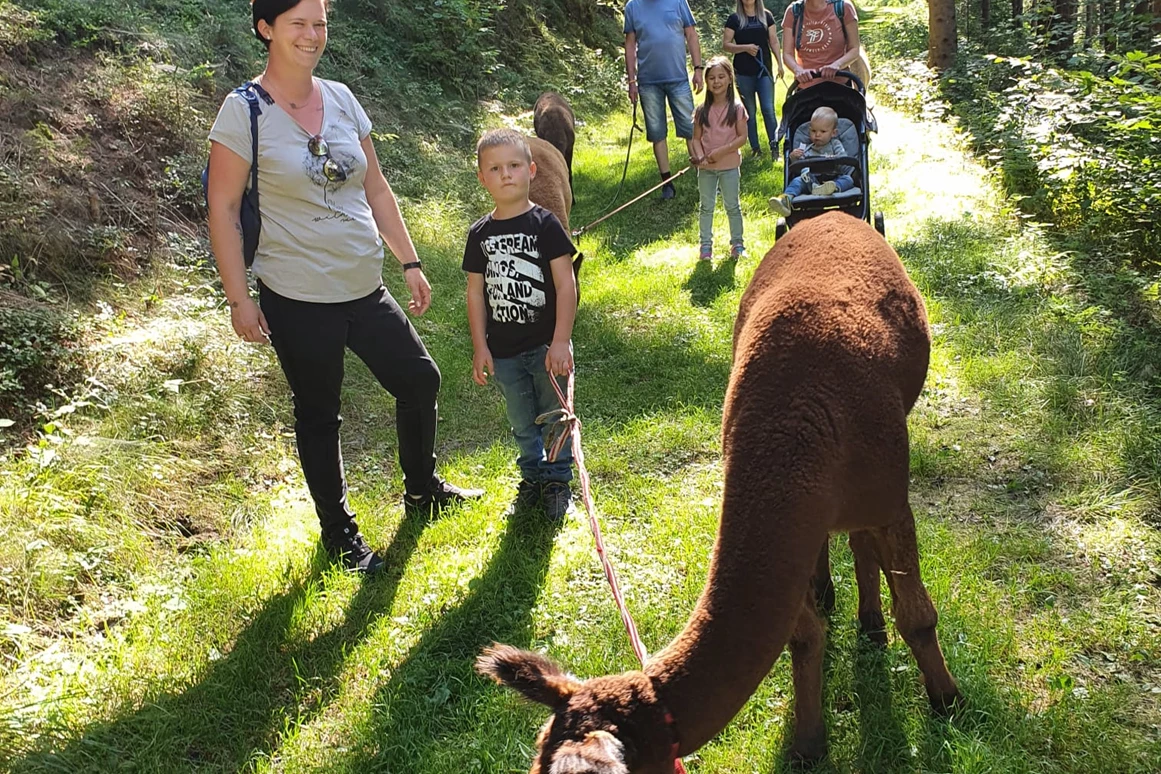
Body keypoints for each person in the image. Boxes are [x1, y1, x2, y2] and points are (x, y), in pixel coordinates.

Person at [205, 0, 481, 574]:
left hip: (363, 284)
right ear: (266, 29)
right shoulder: (243, 111)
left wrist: (408, 261)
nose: (312, 35)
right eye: (298, 23)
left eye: (320, 23)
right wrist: (239, 297)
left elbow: (376, 187)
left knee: (418, 377)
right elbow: (223, 208)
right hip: (297, 295)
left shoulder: (342, 97)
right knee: (319, 413)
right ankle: (339, 534)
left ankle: (422, 487)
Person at [463, 130, 579, 521]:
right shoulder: (479, 235)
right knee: (519, 418)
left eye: (514, 166)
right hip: (505, 351)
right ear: (482, 178)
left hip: (547, 346)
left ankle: (557, 481)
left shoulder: (546, 225)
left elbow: (566, 283)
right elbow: (476, 293)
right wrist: (481, 346)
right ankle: (531, 478)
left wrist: (561, 339)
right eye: (495, 169)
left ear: (531, 170)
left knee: (553, 414)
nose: (506, 175)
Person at [624, 0, 705, 200]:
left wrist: (698, 69)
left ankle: (704, 178)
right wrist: (632, 81)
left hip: (678, 79)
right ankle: (667, 183)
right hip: (648, 83)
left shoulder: (678, 2)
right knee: (657, 132)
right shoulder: (633, 6)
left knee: (691, 129)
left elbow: (691, 35)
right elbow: (630, 44)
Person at [689, 57, 748, 261]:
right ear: (706, 81)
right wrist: (699, 157)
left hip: (729, 166)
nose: (716, 81)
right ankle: (705, 246)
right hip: (706, 169)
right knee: (706, 207)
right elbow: (696, 139)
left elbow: (742, 138)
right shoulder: (701, 110)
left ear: (730, 79)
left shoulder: (737, 108)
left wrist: (721, 152)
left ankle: (738, 244)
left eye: (721, 76)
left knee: (732, 206)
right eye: (712, 78)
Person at [723, 0, 784, 157]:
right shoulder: (734, 19)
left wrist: (780, 64)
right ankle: (755, 149)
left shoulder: (766, 16)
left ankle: (775, 147)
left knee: (768, 109)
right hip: (742, 73)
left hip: (764, 71)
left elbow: (774, 41)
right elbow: (726, 45)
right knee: (749, 112)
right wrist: (745, 48)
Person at [768, 106, 855, 216]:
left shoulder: (835, 144)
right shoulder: (807, 148)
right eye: (813, 131)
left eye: (822, 131)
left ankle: (834, 189)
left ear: (833, 133)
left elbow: (843, 159)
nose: (817, 135)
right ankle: (786, 199)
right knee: (797, 181)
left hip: (833, 178)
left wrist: (834, 158)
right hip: (810, 181)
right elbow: (798, 166)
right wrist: (794, 157)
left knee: (848, 179)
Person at [781, 0, 862, 90]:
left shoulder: (843, 8)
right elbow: (787, 54)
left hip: (839, 87)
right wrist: (797, 70)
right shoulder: (793, 11)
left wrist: (836, 65)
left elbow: (854, 49)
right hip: (806, 88)